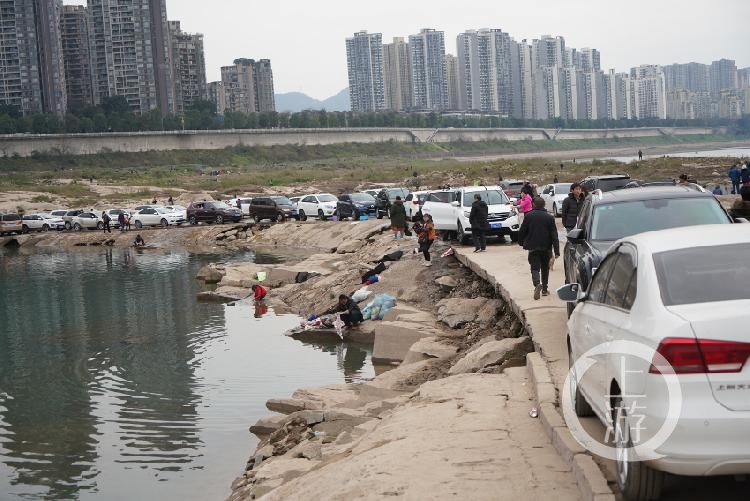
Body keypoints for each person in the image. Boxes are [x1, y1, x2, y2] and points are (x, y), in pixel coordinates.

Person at [518, 197, 560, 300]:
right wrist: (557, 250)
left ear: (534, 205)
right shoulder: (549, 218)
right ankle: (545, 290)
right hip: (546, 248)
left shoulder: (529, 216)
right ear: (544, 205)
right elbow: (554, 235)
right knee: (545, 268)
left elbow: (522, 230)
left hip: (533, 247)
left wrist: (521, 242)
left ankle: (537, 284)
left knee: (535, 268)